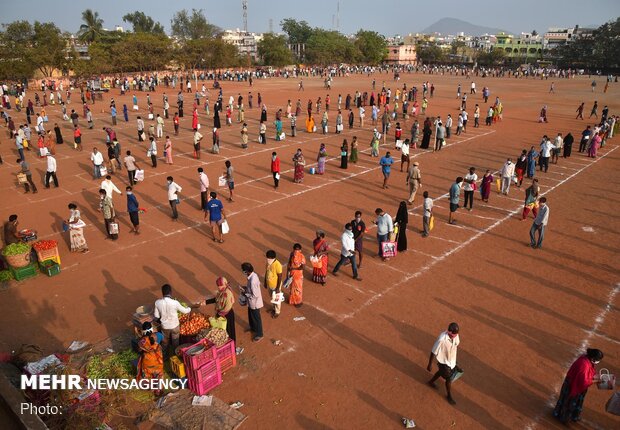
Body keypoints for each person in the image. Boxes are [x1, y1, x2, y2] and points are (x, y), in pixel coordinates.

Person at [553, 348, 604, 423]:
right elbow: (584, 382)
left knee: (568, 400)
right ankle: (564, 418)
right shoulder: (584, 365)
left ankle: (564, 414)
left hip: (574, 382)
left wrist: (595, 377)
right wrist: (597, 381)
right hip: (574, 385)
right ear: (593, 358)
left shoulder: (586, 359)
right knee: (570, 402)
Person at [154, 284, 199, 357]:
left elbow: (156, 316)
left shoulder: (157, 303)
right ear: (170, 292)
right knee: (175, 342)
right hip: (175, 326)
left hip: (165, 327)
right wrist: (190, 308)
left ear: (162, 293)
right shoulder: (175, 303)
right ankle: (175, 356)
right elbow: (185, 311)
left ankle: (164, 357)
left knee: (165, 342)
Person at [427, 322, 461, 405]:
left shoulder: (455, 335)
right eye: (453, 335)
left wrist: (454, 363)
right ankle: (449, 395)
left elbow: (456, 344)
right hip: (443, 361)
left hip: (451, 360)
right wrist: (430, 364)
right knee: (448, 378)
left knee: (441, 372)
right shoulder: (441, 339)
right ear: (449, 332)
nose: (455, 336)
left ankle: (431, 382)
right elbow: (433, 351)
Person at [205, 277, 238, 345]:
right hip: (222, 315)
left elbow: (227, 307)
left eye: (220, 285)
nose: (219, 287)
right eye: (218, 286)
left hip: (227, 315)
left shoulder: (227, 294)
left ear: (225, 284)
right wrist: (206, 302)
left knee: (230, 332)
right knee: (223, 333)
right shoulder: (221, 292)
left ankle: (233, 348)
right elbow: (217, 299)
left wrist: (219, 314)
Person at [136, 322, 164, 392]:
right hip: (158, 360)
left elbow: (138, 350)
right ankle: (159, 389)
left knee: (149, 375)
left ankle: (152, 388)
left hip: (148, 362)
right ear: (152, 329)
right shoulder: (158, 335)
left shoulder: (142, 341)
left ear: (143, 331)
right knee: (159, 374)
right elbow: (163, 341)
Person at [241, 262, 264, 342]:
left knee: (256, 318)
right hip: (251, 302)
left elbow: (255, 295)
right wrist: (246, 288)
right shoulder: (252, 276)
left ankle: (259, 334)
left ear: (246, 271)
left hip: (255, 303)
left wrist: (245, 293)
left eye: (243, 271)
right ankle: (253, 328)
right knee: (251, 316)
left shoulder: (253, 280)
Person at [264, 250, 283, 318]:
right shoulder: (268, 263)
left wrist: (278, 288)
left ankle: (277, 311)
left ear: (273, 258)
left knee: (277, 299)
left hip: (276, 285)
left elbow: (280, 276)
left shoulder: (277, 265)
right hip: (270, 284)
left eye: (268, 258)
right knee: (272, 297)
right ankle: (273, 308)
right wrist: (265, 282)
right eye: (267, 257)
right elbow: (266, 272)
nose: (267, 259)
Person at [287, 243, 306, 307]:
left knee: (293, 288)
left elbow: (289, 264)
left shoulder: (293, 254)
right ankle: (297, 302)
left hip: (294, 274)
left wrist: (291, 269)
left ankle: (292, 300)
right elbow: (302, 267)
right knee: (297, 288)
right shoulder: (301, 256)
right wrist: (291, 269)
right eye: (296, 250)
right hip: (297, 275)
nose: (296, 251)